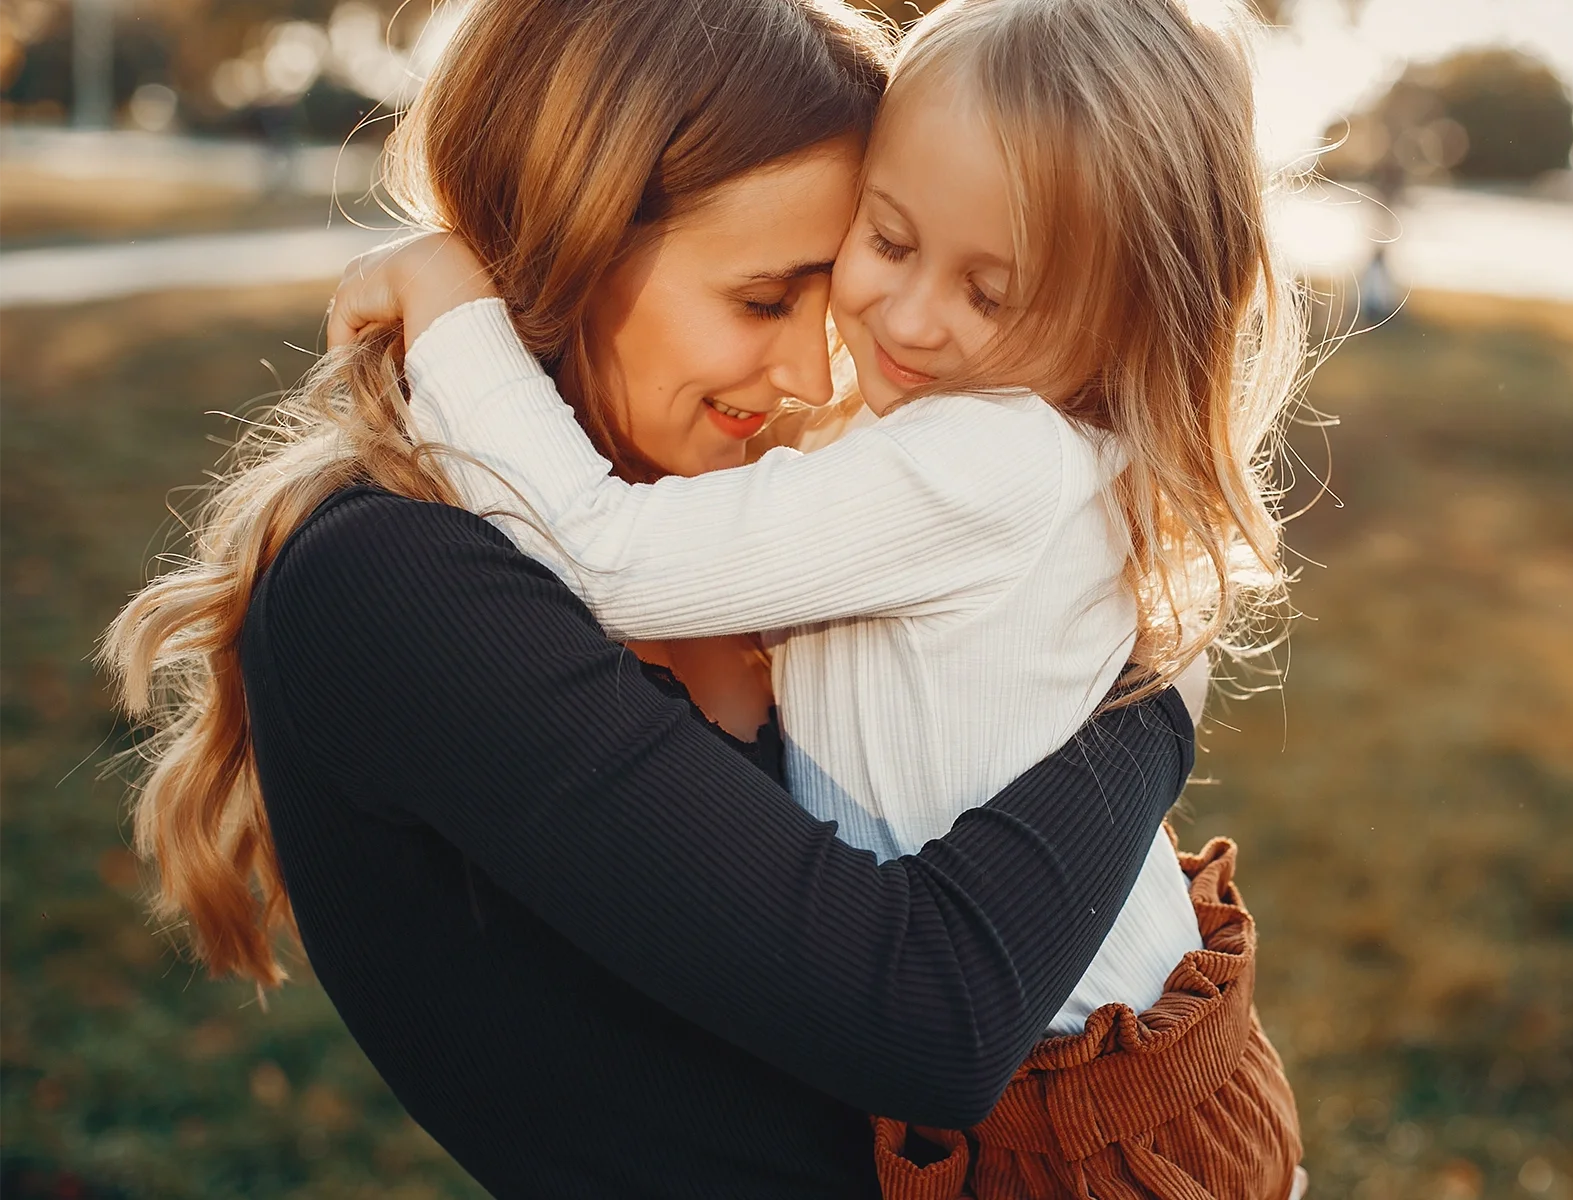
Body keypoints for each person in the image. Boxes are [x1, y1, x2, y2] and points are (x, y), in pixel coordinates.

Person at [96, 0, 1199, 1194]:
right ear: (574, 241)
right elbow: (933, 1020)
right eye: (766, 299)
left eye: (827, 292)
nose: (805, 370)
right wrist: (1156, 699)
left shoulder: (728, 518)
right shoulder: (390, 584)